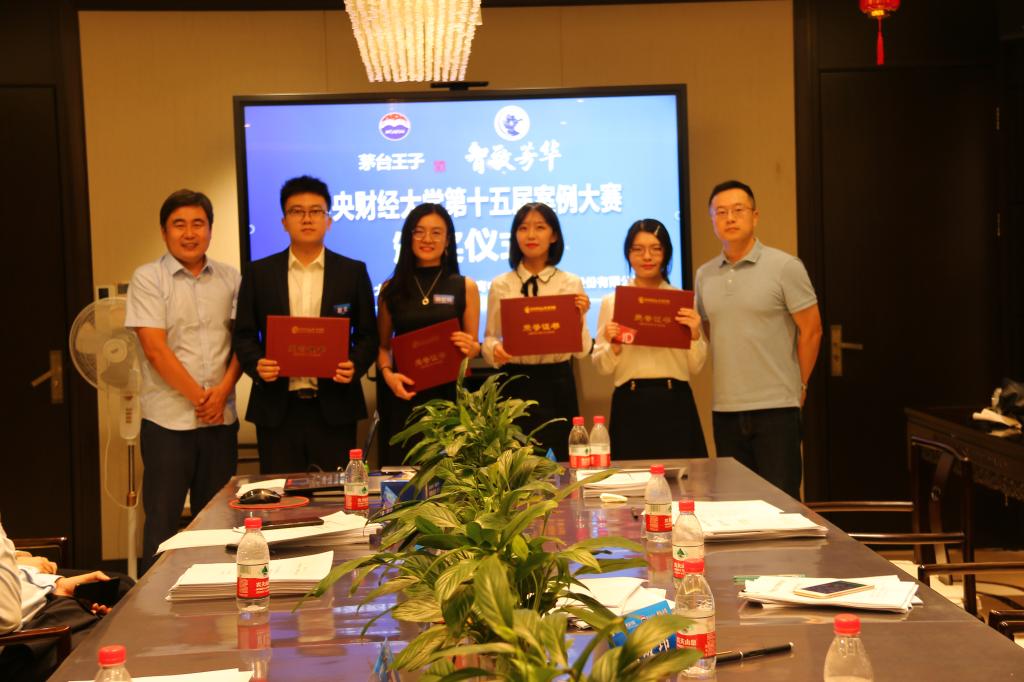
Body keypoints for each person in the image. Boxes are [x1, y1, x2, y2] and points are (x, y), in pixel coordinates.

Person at [125, 189, 242, 570]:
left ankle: (215, 598)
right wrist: (201, 398)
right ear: (164, 231)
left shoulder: (231, 278)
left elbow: (243, 342)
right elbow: (155, 349)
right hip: (167, 423)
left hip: (220, 421)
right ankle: (152, 604)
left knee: (219, 523)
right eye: (179, 224)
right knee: (162, 523)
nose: (189, 233)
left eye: (198, 224)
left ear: (210, 229)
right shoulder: (148, 278)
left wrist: (222, 393)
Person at [234, 175, 378, 474]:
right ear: (284, 221)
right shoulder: (259, 273)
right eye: (297, 211)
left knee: (334, 494)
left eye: (316, 211)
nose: (307, 218)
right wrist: (257, 364)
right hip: (277, 408)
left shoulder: (352, 272)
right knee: (282, 494)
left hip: (335, 408)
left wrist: (354, 365)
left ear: (329, 220)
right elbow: (244, 334)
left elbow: (368, 335)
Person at [695, 180, 823, 498]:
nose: (730, 218)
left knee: (782, 503)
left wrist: (801, 385)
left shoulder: (785, 267)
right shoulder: (704, 275)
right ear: (712, 220)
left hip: (777, 409)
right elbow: (711, 330)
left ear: (755, 216)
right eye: (720, 212)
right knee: (736, 504)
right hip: (725, 409)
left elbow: (812, 330)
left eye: (738, 210)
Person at [482, 202, 591, 459]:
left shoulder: (570, 282)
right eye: (523, 228)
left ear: (553, 236)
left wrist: (580, 318)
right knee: (514, 462)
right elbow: (490, 337)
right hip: (515, 382)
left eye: (540, 227)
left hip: (558, 382)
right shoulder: (501, 284)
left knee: (562, 462)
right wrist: (494, 350)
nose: (531, 235)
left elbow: (582, 351)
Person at [592, 219, 708, 459]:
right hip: (630, 401)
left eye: (656, 249)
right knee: (630, 478)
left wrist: (695, 335)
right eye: (638, 249)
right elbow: (601, 367)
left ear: (666, 253)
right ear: (628, 254)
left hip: (675, 400)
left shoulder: (682, 301)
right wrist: (614, 346)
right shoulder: (612, 302)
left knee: (684, 477)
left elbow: (696, 366)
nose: (647, 257)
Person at [376, 204, 481, 466]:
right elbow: (383, 346)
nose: (427, 239)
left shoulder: (465, 286)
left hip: (451, 399)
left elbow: (474, 347)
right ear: (408, 237)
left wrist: (471, 347)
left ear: (448, 240)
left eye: (436, 232)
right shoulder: (390, 289)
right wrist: (388, 375)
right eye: (419, 231)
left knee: (452, 475)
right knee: (403, 476)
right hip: (404, 396)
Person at [0, 516, 126, 680]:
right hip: (21, 640)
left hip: (47, 604)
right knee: (116, 650)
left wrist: (56, 584)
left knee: (124, 588)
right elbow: (8, 619)